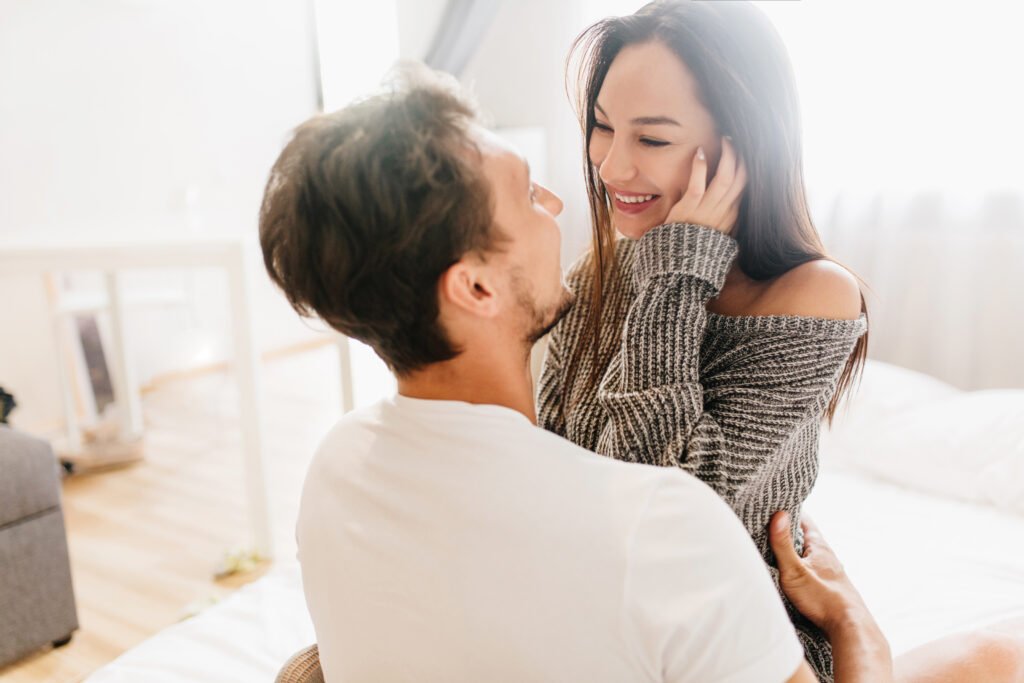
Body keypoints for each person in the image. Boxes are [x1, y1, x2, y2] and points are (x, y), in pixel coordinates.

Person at [258, 65, 895, 682]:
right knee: (996, 653)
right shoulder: (666, 523)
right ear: (476, 286)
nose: (590, 181)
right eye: (530, 195)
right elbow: (665, 524)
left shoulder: (334, 464)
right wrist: (853, 623)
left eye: (650, 136)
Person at [538, 2, 864, 679]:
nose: (611, 166)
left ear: (744, 144)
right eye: (601, 127)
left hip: (733, 646)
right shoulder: (605, 264)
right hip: (590, 621)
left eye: (652, 140)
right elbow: (558, 471)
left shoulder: (814, 296)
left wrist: (677, 276)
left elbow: (665, 519)